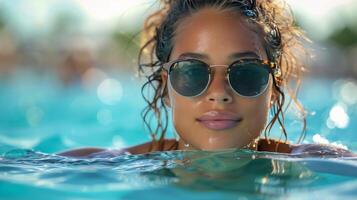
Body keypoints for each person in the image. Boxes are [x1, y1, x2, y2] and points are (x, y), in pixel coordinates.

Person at [58, 0, 355, 157]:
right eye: (192, 72)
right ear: (165, 86)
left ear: (274, 89)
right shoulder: (114, 165)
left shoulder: (321, 163)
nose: (218, 93)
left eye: (246, 72)